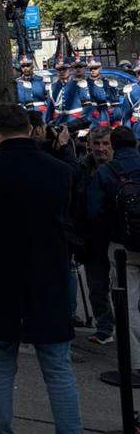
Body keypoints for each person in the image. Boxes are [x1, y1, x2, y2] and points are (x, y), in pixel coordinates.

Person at [0, 101, 88, 434]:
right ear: (32, 131)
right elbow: (74, 225)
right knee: (57, 367)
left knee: (0, 365)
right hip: (48, 276)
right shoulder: (60, 171)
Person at [87, 124, 140, 370]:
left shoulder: (107, 172)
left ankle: (134, 362)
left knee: (127, 305)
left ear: (114, 147)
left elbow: (93, 212)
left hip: (122, 246)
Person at [78, 126, 116, 347]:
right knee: (97, 286)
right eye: (97, 144)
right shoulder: (83, 167)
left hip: (116, 235)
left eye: (105, 144)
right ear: (90, 144)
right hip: (92, 236)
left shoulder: (120, 168)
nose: (100, 148)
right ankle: (105, 327)